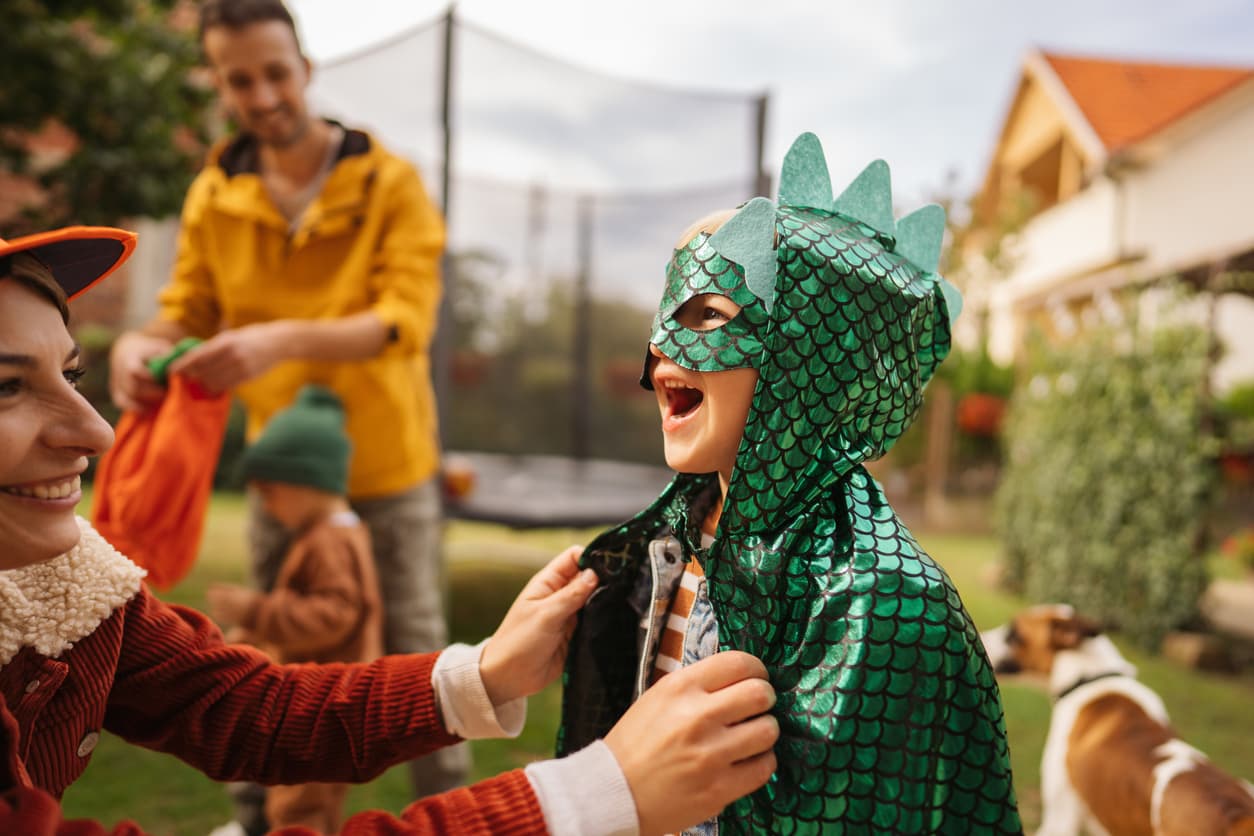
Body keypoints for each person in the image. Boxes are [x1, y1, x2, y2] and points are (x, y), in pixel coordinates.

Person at [0, 225, 780, 835]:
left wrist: (483, 676)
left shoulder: (62, 586)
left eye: (71, 374)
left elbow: (246, 707)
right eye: (7, 388)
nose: (96, 431)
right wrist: (596, 795)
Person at [557, 133, 1023, 834]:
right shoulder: (669, 544)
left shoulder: (884, 604)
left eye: (708, 313)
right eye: (666, 316)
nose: (657, 356)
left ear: (809, 358)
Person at [107, 0, 466, 806]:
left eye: (275, 73)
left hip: (386, 462)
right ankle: (257, 821)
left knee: (416, 645)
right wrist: (137, 346)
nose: (262, 95)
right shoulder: (214, 192)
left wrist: (275, 340)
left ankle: (449, 808)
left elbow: (403, 322)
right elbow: (185, 311)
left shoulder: (389, 183)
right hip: (284, 477)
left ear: (304, 68)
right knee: (266, 651)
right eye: (240, 81)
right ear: (219, 85)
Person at [204, 384, 383, 834]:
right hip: (329, 697)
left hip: (323, 703)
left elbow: (334, 615)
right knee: (309, 802)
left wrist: (256, 611)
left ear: (307, 481)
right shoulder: (337, 533)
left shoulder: (329, 542)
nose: (266, 504)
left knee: (298, 807)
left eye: (270, 491)